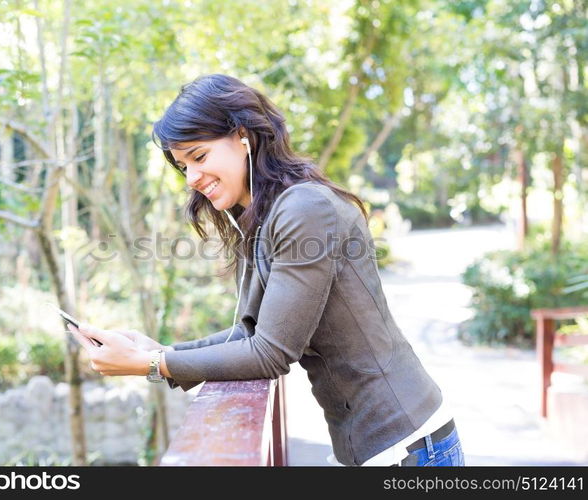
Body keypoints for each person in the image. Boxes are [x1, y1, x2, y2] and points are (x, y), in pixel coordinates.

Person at [68, 74, 465, 467]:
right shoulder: (263, 214)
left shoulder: (304, 208)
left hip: (409, 447)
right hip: (377, 447)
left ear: (243, 135)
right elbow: (250, 332)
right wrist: (159, 353)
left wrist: (152, 366)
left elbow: (270, 353)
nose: (191, 178)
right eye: (182, 166)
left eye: (199, 157)